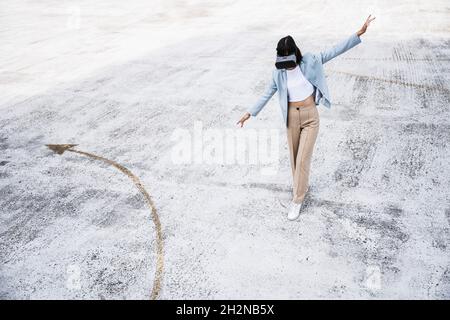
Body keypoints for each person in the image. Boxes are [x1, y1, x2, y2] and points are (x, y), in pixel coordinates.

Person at [237, 15, 376, 221]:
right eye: (283, 62)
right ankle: (302, 186)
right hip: (291, 118)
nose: (288, 66)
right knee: (295, 160)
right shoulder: (278, 74)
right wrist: (249, 113)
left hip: (311, 116)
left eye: (290, 61)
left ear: (296, 53)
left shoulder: (310, 60)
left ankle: (297, 199)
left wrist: (358, 33)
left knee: (302, 159)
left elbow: (335, 50)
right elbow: (267, 93)